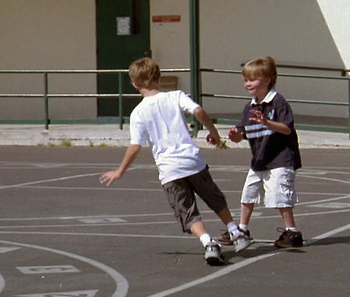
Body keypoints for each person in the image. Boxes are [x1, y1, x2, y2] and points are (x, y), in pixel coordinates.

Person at [100, 57, 251, 265]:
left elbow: (136, 145)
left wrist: (120, 171)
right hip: (192, 161)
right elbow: (198, 111)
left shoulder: (138, 113)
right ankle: (235, 231)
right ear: (159, 78)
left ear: (135, 84)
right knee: (214, 197)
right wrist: (213, 132)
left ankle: (208, 242)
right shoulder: (175, 96)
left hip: (169, 169)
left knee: (186, 210)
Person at [219, 56, 304, 248]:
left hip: (280, 159)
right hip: (260, 159)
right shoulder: (250, 107)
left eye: (253, 79)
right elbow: (242, 132)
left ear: (268, 79)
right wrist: (234, 135)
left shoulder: (278, 102)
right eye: (246, 80)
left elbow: (287, 128)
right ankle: (242, 229)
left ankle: (291, 231)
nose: (248, 83)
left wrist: (267, 122)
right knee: (248, 194)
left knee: (280, 196)